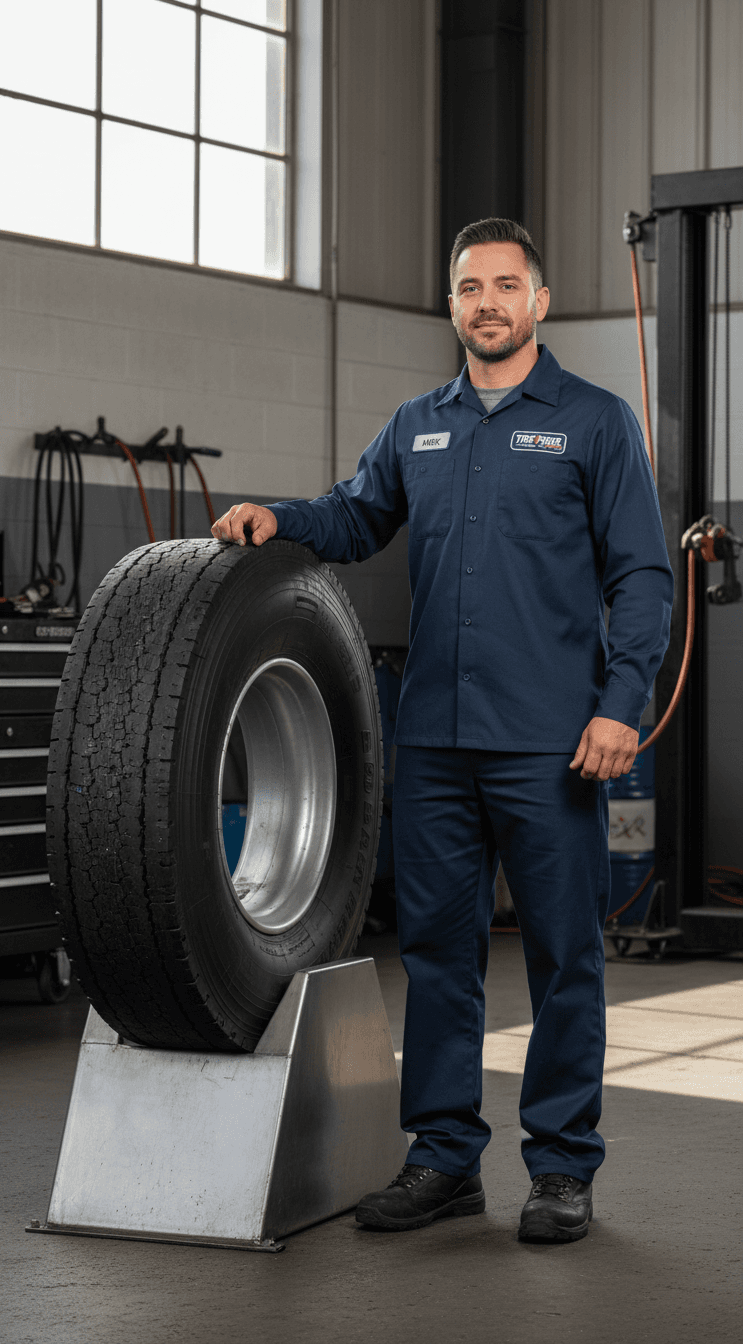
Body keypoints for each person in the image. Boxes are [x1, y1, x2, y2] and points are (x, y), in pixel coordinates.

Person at [211, 218, 673, 1243]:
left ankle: (560, 1169)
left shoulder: (594, 423)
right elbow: (356, 513)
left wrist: (619, 704)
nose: (489, 302)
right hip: (432, 743)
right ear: (452, 304)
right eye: (471, 287)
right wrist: (279, 518)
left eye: (508, 285)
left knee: (563, 957)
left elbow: (643, 576)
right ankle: (444, 1156)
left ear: (540, 303)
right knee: (436, 955)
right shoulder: (419, 422)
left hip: (551, 741)